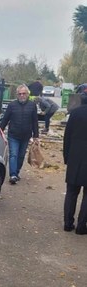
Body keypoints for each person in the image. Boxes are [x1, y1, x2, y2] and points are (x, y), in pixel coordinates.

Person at [0, 84, 39, 185]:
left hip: (26, 136)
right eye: (19, 94)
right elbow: (5, 119)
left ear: (27, 94)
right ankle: (12, 175)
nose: (21, 95)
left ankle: (16, 173)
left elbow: (35, 121)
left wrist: (36, 136)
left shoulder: (32, 105)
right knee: (13, 154)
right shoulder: (12, 105)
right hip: (13, 135)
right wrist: (0, 131)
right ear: (17, 95)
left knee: (21, 156)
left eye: (23, 93)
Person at [63, 93, 87, 234]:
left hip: (74, 158)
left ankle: (68, 223)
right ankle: (81, 226)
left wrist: (66, 157)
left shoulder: (75, 113)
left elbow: (67, 136)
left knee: (71, 192)